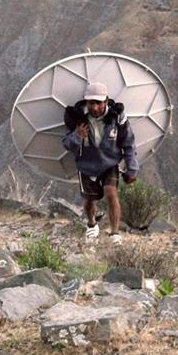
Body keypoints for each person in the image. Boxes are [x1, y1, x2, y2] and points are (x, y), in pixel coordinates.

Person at [62, 81, 139, 243]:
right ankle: (92, 225)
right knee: (90, 199)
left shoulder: (116, 117)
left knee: (111, 193)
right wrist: (77, 136)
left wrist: (132, 168)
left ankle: (115, 233)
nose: (95, 107)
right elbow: (67, 144)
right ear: (86, 102)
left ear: (105, 101)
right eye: (91, 103)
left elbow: (128, 143)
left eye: (98, 103)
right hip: (86, 164)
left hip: (110, 163)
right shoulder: (77, 118)